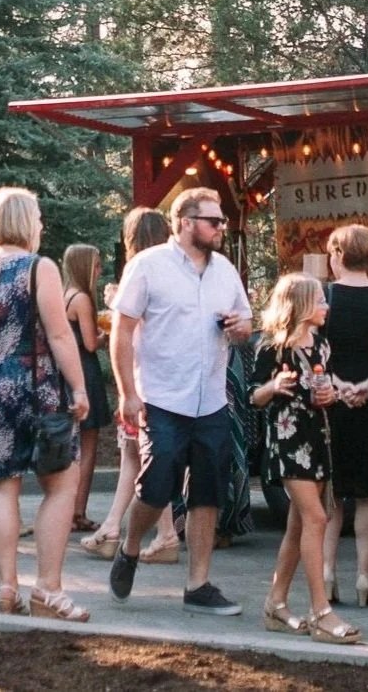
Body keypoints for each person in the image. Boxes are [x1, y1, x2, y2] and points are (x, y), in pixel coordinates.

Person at [108, 186, 251, 616]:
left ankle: (198, 583)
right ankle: (130, 548)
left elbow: (244, 320)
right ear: (186, 222)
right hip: (162, 396)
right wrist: (127, 393)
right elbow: (122, 330)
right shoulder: (148, 266)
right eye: (214, 221)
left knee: (208, 492)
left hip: (211, 400)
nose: (222, 228)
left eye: (222, 220)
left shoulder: (224, 269)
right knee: (157, 485)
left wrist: (241, 326)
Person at [0, 186, 91, 622]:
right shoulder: (38, 268)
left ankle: (6, 586)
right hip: (35, 384)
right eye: (39, 218)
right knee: (62, 484)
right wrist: (80, 388)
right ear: (28, 223)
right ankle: (47, 590)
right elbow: (60, 333)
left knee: (1, 485)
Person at [251, 272, 360, 644]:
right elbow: (254, 395)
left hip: (318, 438)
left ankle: (276, 605)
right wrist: (273, 386)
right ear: (299, 305)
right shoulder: (273, 348)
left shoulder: (320, 343)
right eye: (320, 301)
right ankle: (321, 612)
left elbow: (324, 380)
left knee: (299, 525)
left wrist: (335, 390)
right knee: (317, 516)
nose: (326, 307)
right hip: (287, 439)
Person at [82, 208, 178, 563]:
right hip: (165, 379)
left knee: (137, 458)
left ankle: (117, 530)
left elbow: (132, 328)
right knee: (140, 460)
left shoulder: (139, 272)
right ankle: (157, 534)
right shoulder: (175, 270)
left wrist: (112, 304)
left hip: (141, 379)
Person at [319, 222, 368, 609]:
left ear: (336, 256)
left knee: (332, 494)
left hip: (330, 401)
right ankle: (364, 576)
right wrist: (365, 387)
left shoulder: (325, 299)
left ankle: (328, 572)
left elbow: (314, 354)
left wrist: (340, 385)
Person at [62, 243, 111, 533]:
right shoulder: (81, 298)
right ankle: (77, 511)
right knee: (88, 445)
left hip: (68, 370)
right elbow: (91, 343)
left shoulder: (63, 294)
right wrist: (105, 336)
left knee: (70, 444)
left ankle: (67, 507)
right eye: (96, 264)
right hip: (86, 370)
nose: (99, 270)